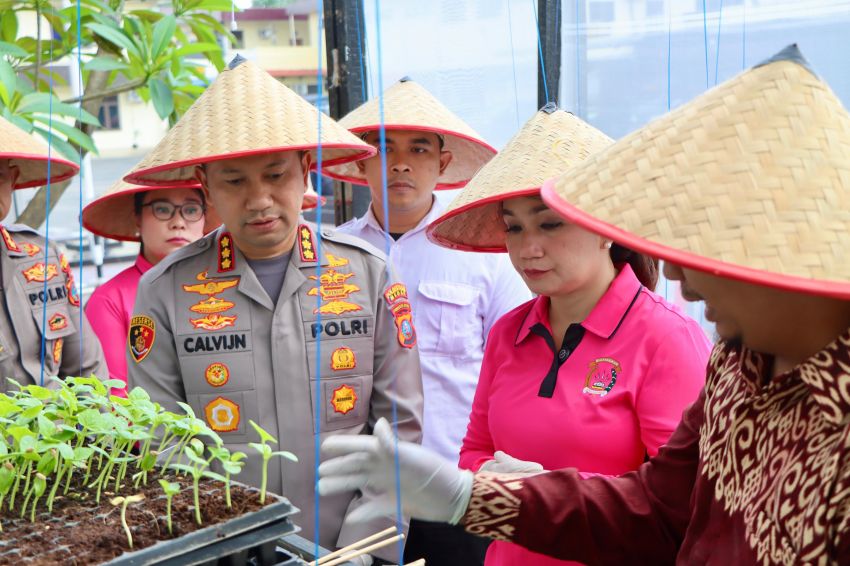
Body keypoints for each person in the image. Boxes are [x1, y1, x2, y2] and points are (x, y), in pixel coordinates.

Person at [317, 45, 850, 564]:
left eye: (703, 251)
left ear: (787, 254)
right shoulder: (735, 369)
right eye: (514, 228)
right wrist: (472, 494)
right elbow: (655, 509)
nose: (683, 282)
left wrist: (509, 489)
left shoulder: (677, 339)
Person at [124, 56, 423, 565]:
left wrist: (362, 548)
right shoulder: (165, 291)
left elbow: (399, 427)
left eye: (275, 175)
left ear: (306, 169)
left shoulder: (368, 275)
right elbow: (162, 441)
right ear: (205, 181)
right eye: (235, 181)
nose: (259, 199)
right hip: (221, 553)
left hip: (350, 552)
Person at [431, 104, 709, 565]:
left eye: (550, 222)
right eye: (514, 227)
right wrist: (496, 480)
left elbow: (683, 503)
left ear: (605, 228)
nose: (527, 249)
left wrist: (546, 494)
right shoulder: (508, 333)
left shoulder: (665, 339)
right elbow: (475, 451)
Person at [324, 77, 532, 565]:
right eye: (382, 147)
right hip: (362, 491)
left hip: (454, 487)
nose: (400, 162)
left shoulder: (485, 255)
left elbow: (518, 365)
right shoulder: (334, 258)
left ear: (441, 164)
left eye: (419, 149)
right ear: (361, 161)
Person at [0, 115, 107, 389]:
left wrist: (96, 430)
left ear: (13, 179)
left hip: (57, 428)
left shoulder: (41, 255)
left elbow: (87, 370)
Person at [82, 180, 216, 395]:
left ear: (204, 218)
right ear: (138, 218)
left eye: (191, 210)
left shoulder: (224, 287)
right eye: (162, 209)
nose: (178, 222)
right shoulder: (109, 300)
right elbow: (114, 397)